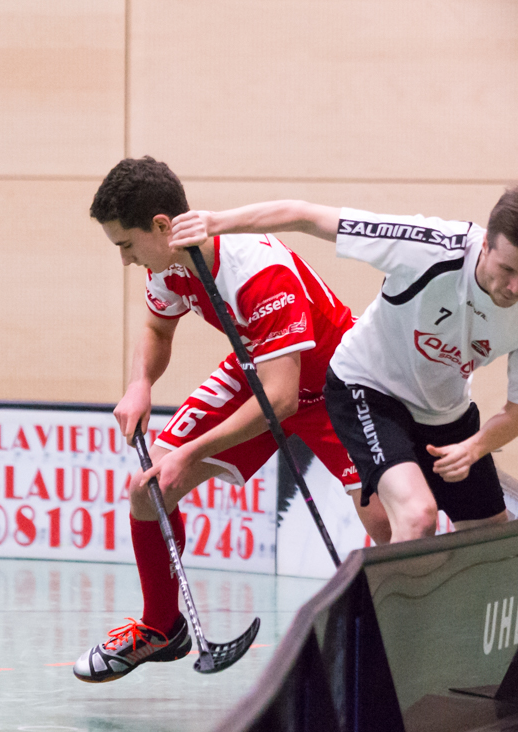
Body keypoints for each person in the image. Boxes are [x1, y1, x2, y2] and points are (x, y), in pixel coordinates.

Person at [75, 157, 390, 683]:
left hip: (339, 387)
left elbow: (282, 401)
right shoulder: (169, 264)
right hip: (259, 370)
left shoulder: (256, 270)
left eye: (126, 246)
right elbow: (157, 332)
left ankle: (397, 644)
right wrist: (140, 384)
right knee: (149, 487)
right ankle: (161, 628)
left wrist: (191, 451)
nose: (126, 261)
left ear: (160, 226)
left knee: (387, 522)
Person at [169, 188, 518, 544]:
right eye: (507, 270)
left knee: (492, 540)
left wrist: (475, 447)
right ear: (485, 247)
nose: (515, 288)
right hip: (367, 386)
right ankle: (391, 628)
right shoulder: (430, 248)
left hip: (446, 409)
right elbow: (307, 215)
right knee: (417, 517)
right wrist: (215, 223)